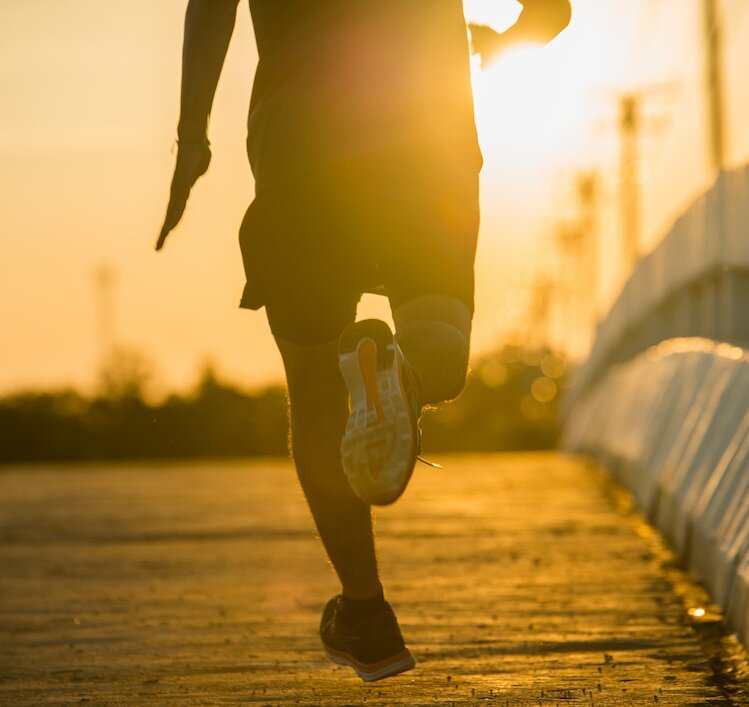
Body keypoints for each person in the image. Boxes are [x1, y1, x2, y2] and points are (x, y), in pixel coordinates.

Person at [158, 0, 570, 682]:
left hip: (301, 152)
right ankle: (402, 374)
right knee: (440, 348)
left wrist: (192, 139)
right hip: (426, 145)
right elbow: (552, 11)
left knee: (317, 386)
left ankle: (367, 614)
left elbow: (209, 9)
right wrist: (505, 42)